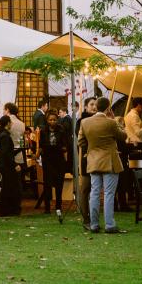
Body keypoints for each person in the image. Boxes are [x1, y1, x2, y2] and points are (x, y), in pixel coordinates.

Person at [78, 96, 127, 234]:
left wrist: (91, 149)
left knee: (94, 193)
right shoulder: (111, 123)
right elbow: (123, 136)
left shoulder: (85, 122)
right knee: (109, 194)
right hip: (110, 161)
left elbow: (81, 142)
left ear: (96, 107)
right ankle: (109, 224)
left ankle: (93, 224)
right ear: (108, 108)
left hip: (93, 160)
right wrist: (115, 120)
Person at [37, 110, 70, 220]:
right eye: (50, 120)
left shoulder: (61, 130)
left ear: (57, 120)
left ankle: (58, 206)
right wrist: (37, 155)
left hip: (59, 159)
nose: (52, 121)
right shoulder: (43, 131)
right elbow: (41, 145)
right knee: (47, 184)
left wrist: (66, 159)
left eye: (54, 120)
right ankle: (47, 208)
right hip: (47, 159)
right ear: (47, 120)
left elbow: (65, 145)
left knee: (59, 183)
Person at [75, 97, 98, 227]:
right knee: (85, 189)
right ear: (85, 107)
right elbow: (81, 140)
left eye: (96, 104)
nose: (94, 107)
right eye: (91, 104)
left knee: (96, 190)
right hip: (85, 158)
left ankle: (94, 218)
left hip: (98, 158)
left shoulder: (100, 120)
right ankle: (86, 218)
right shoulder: (81, 122)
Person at [0, 115, 22, 217]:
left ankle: (6, 209)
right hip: (7, 165)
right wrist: (14, 164)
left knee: (7, 187)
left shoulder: (2, 134)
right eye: (10, 122)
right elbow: (6, 153)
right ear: (7, 123)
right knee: (9, 187)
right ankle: (7, 209)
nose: (12, 123)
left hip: (3, 164)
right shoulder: (5, 136)